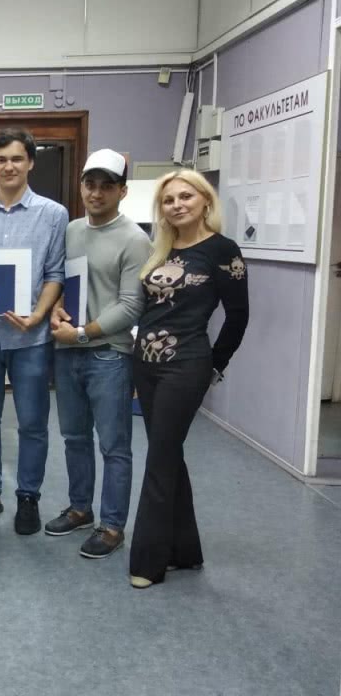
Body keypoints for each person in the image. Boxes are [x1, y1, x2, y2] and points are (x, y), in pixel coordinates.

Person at [128, 170, 248, 588]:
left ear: (205, 201)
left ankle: (148, 563)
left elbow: (238, 316)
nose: (177, 205)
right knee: (168, 454)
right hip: (146, 363)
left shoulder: (222, 250)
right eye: (168, 200)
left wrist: (216, 364)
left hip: (186, 365)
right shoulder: (160, 248)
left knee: (159, 459)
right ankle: (184, 551)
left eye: (186, 196)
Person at [0, 127, 68, 534]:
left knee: (33, 422)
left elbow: (55, 273)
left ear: (30, 162)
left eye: (17, 159)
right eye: (1, 159)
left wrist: (39, 314)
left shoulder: (53, 214)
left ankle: (28, 497)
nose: (9, 166)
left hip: (31, 339)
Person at [44, 150, 151, 558]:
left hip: (109, 355)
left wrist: (82, 334)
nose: (97, 193)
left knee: (114, 445)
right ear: (81, 187)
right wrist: (56, 310)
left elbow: (131, 306)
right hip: (68, 351)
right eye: (90, 184)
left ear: (122, 191)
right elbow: (63, 282)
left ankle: (111, 525)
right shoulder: (72, 230)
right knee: (74, 437)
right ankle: (80, 509)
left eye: (107, 186)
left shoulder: (135, 240)